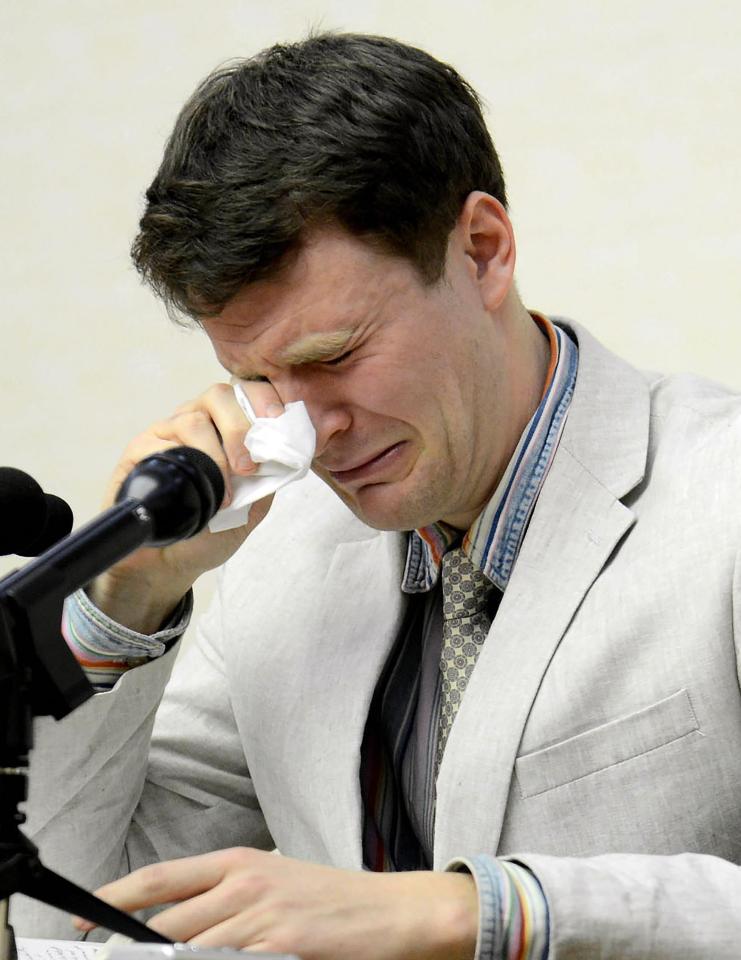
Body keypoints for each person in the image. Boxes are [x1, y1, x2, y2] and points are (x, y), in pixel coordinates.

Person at [14, 32, 741, 959]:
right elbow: (72, 917)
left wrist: (462, 915)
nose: (311, 430)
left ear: (482, 250)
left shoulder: (717, 494)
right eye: (259, 381)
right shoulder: (278, 558)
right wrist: (131, 598)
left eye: (333, 357)